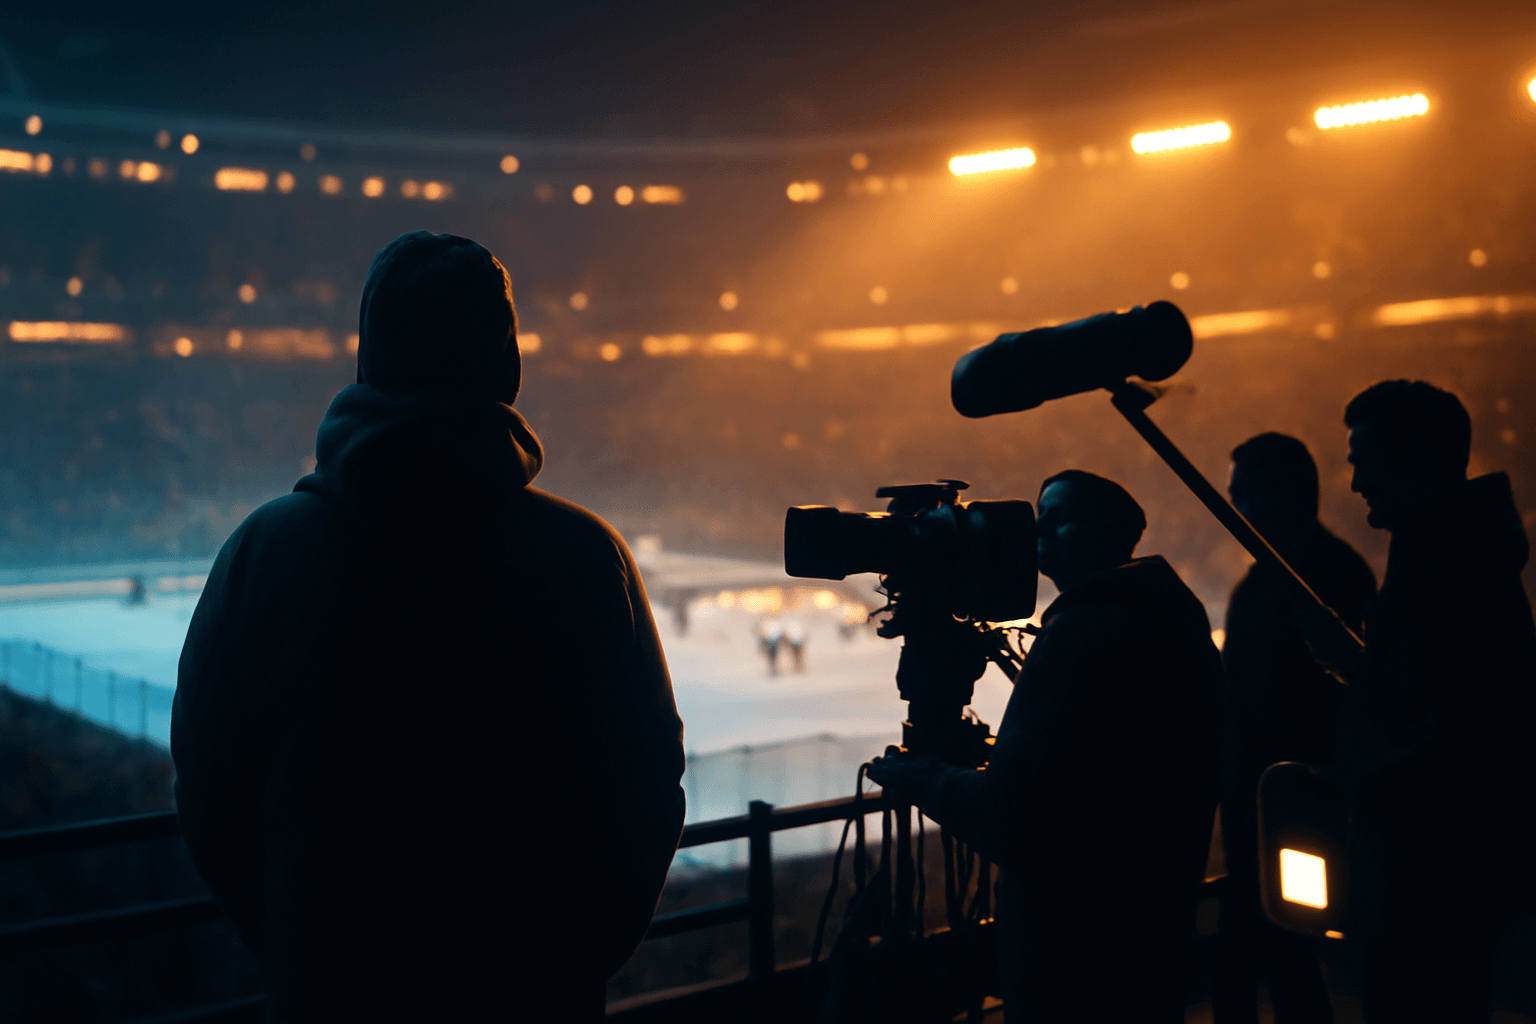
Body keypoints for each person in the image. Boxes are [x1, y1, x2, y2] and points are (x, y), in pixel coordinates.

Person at [171, 232, 686, 1022]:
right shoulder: (585, 560)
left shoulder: (263, 553)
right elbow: (646, 793)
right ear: (507, 363)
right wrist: (563, 961)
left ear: (366, 357)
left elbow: (209, 791)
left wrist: (303, 948)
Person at [868, 470, 1222, 1023]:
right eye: (1041, 518)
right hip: (1151, 922)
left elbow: (1017, 815)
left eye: (1060, 519)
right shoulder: (1167, 614)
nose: (1041, 533)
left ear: (1109, 534)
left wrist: (925, 778)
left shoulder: (1087, 630)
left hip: (1075, 946)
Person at [1324, 380, 1536, 1024]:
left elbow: (1440, 725)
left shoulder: (1442, 563)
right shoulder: (1458, 552)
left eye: (1364, 460)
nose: (1355, 480)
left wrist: (1361, 776)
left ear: (1413, 458)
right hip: (1446, 863)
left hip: (1430, 868)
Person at [1213, 434, 1376, 1024]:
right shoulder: (1324, 574)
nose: (1239, 510)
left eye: (1246, 495)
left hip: (1287, 802)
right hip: (1282, 799)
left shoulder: (1290, 582)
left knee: (1282, 944)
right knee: (1285, 948)